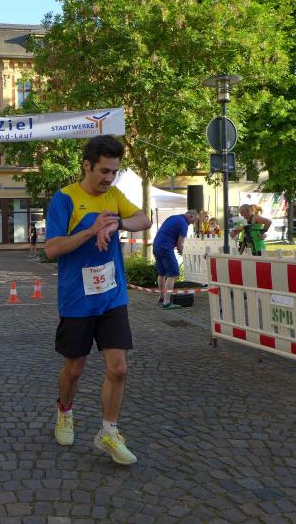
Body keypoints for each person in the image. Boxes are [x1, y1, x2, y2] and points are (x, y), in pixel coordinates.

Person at [45, 135, 151, 465]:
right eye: (104, 171)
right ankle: (65, 411)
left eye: (114, 172)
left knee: (118, 367)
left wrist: (118, 223)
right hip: (77, 299)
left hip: (112, 297)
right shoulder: (65, 199)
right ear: (87, 166)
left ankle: (108, 432)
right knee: (74, 368)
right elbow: (51, 249)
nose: (109, 178)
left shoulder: (114, 196)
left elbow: (144, 220)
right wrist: (91, 230)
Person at [153, 210, 199, 309]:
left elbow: (161, 231)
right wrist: (182, 253)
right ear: (190, 216)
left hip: (156, 245)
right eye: (194, 220)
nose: (193, 223)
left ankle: (162, 297)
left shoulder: (173, 217)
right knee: (173, 274)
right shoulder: (184, 224)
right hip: (166, 247)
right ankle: (166, 302)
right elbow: (179, 244)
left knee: (161, 274)